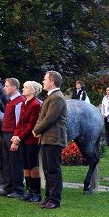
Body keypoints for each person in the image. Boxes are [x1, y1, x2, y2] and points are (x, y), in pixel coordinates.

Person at [33, 71, 67, 209]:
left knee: (53, 170)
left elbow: (49, 118)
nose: (43, 82)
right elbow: (43, 117)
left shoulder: (57, 97)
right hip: (47, 138)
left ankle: (55, 200)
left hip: (54, 138)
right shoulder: (51, 96)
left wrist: (36, 130)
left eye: (45, 79)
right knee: (47, 170)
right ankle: (48, 198)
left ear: (52, 82)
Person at [11, 81, 42, 203]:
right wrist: (15, 135)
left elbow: (31, 125)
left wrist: (19, 138)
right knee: (25, 165)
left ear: (33, 91)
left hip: (31, 140)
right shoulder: (24, 103)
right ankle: (29, 190)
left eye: (26, 88)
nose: (23, 89)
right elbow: (20, 123)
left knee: (33, 165)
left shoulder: (35, 104)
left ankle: (36, 192)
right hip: (23, 139)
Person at [0, 78, 26, 198]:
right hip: (6, 133)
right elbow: (6, 117)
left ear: (14, 87)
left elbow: (20, 122)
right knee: (6, 161)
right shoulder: (10, 101)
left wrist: (16, 139)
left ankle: (17, 189)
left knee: (15, 162)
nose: (4, 88)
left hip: (13, 135)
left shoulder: (19, 101)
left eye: (7, 86)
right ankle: (8, 187)